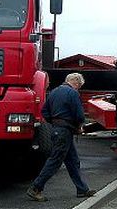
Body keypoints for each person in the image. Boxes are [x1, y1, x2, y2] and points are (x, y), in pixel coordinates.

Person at [26, 73, 96, 202]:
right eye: (79, 86)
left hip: (57, 130)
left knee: (73, 160)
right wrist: (79, 125)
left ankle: (82, 189)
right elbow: (79, 114)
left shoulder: (53, 92)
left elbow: (44, 111)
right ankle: (36, 187)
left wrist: (54, 122)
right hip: (66, 131)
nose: (78, 88)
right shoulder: (73, 93)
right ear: (75, 82)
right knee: (55, 160)